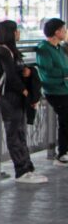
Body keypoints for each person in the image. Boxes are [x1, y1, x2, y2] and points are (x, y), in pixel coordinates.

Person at [0, 20, 47, 183]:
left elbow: (16, 71)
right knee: (14, 133)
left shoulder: (10, 50)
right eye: (16, 30)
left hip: (16, 96)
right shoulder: (2, 51)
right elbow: (10, 75)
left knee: (20, 132)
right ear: (9, 33)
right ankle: (21, 171)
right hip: (10, 96)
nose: (18, 33)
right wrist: (25, 91)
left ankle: (27, 168)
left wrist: (28, 73)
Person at [37, 18, 68, 166]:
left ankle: (64, 151)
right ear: (57, 32)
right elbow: (48, 71)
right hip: (54, 90)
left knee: (65, 120)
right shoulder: (44, 48)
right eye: (64, 29)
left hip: (64, 88)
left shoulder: (59, 48)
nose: (66, 32)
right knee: (65, 119)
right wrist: (65, 73)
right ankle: (62, 153)